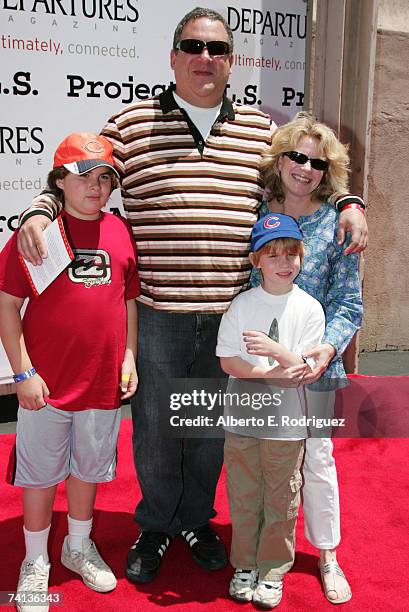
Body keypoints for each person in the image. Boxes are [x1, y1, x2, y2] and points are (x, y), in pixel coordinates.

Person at [15, 7, 368, 584]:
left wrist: (353, 204)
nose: (206, 58)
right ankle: (155, 525)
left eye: (218, 49)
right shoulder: (128, 126)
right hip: (158, 311)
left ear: (231, 61)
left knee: (209, 431)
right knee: (156, 429)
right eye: (194, 47)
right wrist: (39, 208)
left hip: (232, 312)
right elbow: (83, 177)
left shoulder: (259, 131)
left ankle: (197, 521)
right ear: (174, 55)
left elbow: (310, 178)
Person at [0, 132, 140, 610]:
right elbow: (7, 307)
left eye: (105, 177)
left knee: (88, 470)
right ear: (59, 181)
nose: (96, 187)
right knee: (40, 476)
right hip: (47, 385)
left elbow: (128, 300)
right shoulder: (37, 234)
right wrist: (22, 374)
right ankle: (36, 559)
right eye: (83, 176)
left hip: (102, 384)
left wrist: (128, 357)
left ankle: (77, 544)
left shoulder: (120, 231)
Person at [250, 111, 364, 604]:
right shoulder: (252, 209)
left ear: (328, 169)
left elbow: (349, 303)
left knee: (317, 461)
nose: (305, 167)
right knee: (262, 461)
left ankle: (328, 555)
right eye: (296, 156)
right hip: (260, 368)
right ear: (279, 160)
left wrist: (327, 347)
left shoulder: (338, 222)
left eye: (317, 161)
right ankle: (262, 552)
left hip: (318, 368)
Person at [217, 213, 326, 608]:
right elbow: (230, 361)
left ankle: (274, 567)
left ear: (302, 257)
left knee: (281, 498)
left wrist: (276, 350)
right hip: (243, 420)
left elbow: (303, 369)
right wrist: (273, 370)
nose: (284, 263)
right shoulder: (242, 305)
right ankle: (244, 563)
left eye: (291, 254)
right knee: (245, 494)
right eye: (273, 254)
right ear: (256, 261)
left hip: (286, 426)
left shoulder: (310, 309)